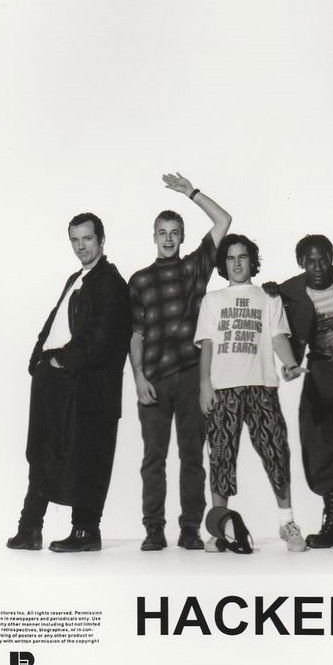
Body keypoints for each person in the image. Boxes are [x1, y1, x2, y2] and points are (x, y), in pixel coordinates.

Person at [7, 213, 131, 552]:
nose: (81, 246)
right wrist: (38, 360)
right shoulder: (76, 278)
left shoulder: (110, 282)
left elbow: (102, 335)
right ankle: (29, 529)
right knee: (42, 452)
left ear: (101, 240)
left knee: (86, 454)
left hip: (85, 384)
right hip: (57, 379)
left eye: (87, 239)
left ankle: (86, 532)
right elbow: (54, 322)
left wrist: (63, 359)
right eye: (75, 240)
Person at [129, 172, 231, 551]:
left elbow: (224, 221)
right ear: (154, 237)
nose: (168, 239)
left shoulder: (194, 268)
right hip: (154, 378)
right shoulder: (139, 280)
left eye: (174, 233)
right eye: (162, 232)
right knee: (153, 459)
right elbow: (136, 335)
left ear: (182, 237)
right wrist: (139, 377)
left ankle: (190, 528)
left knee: (192, 457)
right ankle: (154, 529)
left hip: (190, 374)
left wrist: (192, 192)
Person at [195, 234, 306, 553]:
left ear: (251, 260)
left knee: (276, 452)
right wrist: (204, 384)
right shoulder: (212, 300)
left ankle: (287, 523)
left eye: (242, 257)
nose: (237, 263)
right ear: (223, 264)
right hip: (223, 389)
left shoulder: (268, 297)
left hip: (261, 387)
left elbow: (278, 338)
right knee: (221, 457)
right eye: (230, 258)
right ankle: (219, 528)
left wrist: (290, 364)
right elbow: (207, 345)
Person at [265, 235, 333, 549]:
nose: (318, 267)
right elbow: (271, 306)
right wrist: (270, 290)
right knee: (318, 444)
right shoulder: (291, 289)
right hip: (318, 371)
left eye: (323, 259)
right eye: (311, 261)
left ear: (331, 257)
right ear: (301, 263)